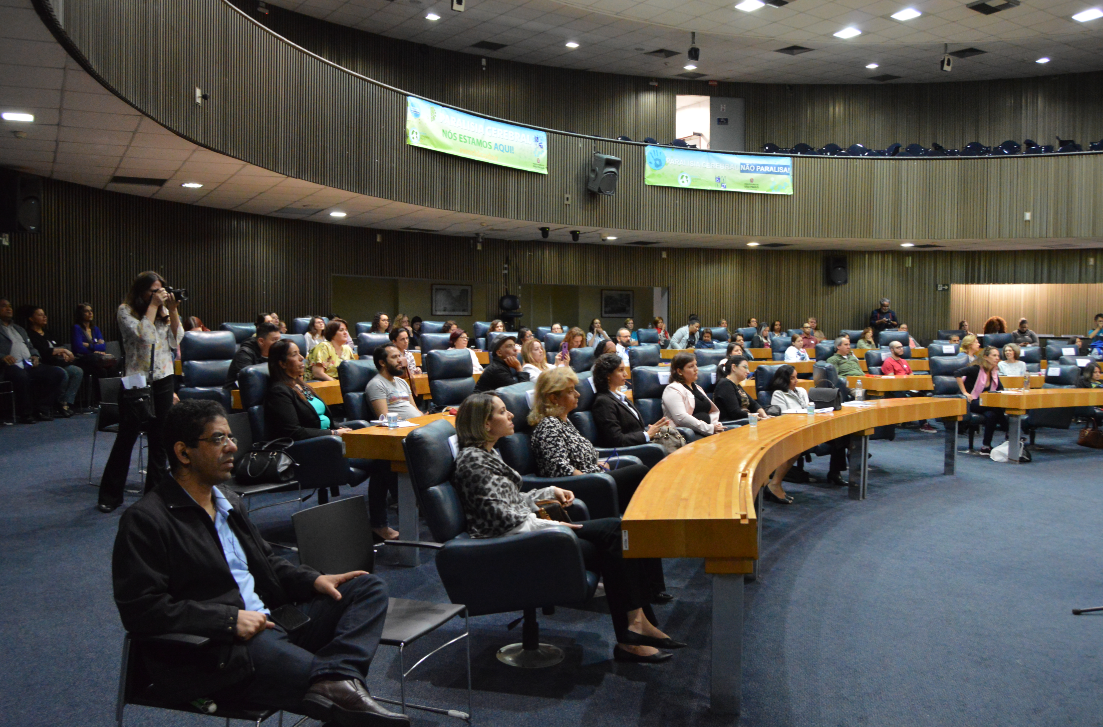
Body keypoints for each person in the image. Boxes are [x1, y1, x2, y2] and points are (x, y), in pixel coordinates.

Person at [111, 399, 406, 727]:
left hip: (276, 620)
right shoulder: (147, 520)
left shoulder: (228, 501)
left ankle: (336, 679)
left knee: (366, 587)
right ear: (183, 453)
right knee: (346, 707)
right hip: (223, 647)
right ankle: (337, 689)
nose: (233, 446)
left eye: (231, 437)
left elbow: (266, 561)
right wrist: (228, 620)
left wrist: (312, 580)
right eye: (218, 439)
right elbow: (142, 610)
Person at [451, 392, 681, 663]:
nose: (511, 415)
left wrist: (550, 490)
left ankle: (638, 626)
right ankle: (633, 633)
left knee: (618, 530)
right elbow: (502, 520)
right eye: (503, 411)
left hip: (525, 530)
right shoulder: (473, 461)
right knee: (613, 540)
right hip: (510, 543)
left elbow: (511, 500)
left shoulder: (487, 453)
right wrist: (554, 524)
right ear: (486, 424)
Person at [97, 273, 182, 512]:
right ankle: (110, 496)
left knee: (160, 441)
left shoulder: (164, 312)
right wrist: (154, 307)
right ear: (141, 291)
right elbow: (145, 337)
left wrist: (172, 310)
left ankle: (154, 497)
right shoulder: (126, 311)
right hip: (137, 380)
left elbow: (178, 340)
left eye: (161, 290)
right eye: (153, 291)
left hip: (163, 378)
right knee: (127, 438)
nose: (158, 294)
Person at [530, 367, 652, 516]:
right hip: (582, 487)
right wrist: (594, 475)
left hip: (594, 478)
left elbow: (576, 454)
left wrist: (596, 464)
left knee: (636, 467)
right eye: (570, 391)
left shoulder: (564, 421)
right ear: (553, 398)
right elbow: (560, 470)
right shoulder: (549, 425)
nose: (578, 394)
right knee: (640, 471)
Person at [769, 365, 848, 487]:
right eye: (792, 378)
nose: (796, 380)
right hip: (794, 430)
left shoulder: (801, 391)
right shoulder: (778, 394)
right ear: (784, 380)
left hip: (810, 425)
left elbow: (809, 407)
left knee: (840, 436)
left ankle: (835, 472)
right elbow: (782, 416)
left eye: (796, 377)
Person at [0, 297, 65, 424]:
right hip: (7, 366)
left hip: (27, 363)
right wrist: (2, 356)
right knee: (21, 376)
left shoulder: (19, 329)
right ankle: (26, 413)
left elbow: (31, 347)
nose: (8, 309)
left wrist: (35, 356)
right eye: (4, 306)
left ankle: (42, 408)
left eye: (10, 306)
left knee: (57, 373)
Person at [590, 352, 672, 449]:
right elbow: (616, 439)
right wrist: (647, 435)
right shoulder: (603, 402)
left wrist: (652, 430)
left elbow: (633, 429)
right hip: (631, 451)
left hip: (641, 445)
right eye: (620, 370)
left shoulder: (619, 396)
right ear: (607, 375)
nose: (625, 374)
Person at [23, 306, 83, 417]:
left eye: (44, 314)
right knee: (62, 373)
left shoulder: (47, 332)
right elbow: (43, 352)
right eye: (40, 315)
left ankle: (66, 402)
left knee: (77, 371)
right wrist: (62, 351)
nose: (44, 317)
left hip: (58, 362)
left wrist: (64, 353)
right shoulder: (29, 334)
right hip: (46, 363)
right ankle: (57, 403)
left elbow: (59, 345)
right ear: (31, 318)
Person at [955, 346, 1006, 455]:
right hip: (970, 402)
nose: (997, 358)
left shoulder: (993, 372)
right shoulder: (976, 369)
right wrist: (964, 392)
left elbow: (1000, 389)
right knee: (995, 406)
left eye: (998, 355)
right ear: (986, 357)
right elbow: (957, 373)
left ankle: (986, 446)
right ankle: (1009, 430)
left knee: (991, 414)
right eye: (994, 355)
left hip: (983, 403)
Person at [661, 352, 723, 437]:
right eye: (691, 366)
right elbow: (681, 418)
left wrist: (715, 425)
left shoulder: (697, 388)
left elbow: (712, 411)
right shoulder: (672, 389)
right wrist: (709, 428)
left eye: (696, 365)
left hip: (708, 431)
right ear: (679, 371)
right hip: (687, 435)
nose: (696, 369)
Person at [714, 356, 768, 423]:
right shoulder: (724, 384)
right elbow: (735, 413)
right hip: (733, 424)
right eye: (745, 367)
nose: (748, 372)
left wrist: (765, 416)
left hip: (745, 420)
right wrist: (757, 418)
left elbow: (753, 404)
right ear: (734, 367)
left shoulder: (737, 385)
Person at [72, 302, 113, 378]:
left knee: (111, 368)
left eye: (91, 311)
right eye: (87, 311)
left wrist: (89, 345)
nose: (90, 313)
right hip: (82, 360)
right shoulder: (77, 328)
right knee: (101, 371)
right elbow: (78, 348)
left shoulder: (95, 329)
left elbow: (103, 347)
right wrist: (94, 350)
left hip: (96, 359)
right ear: (81, 314)